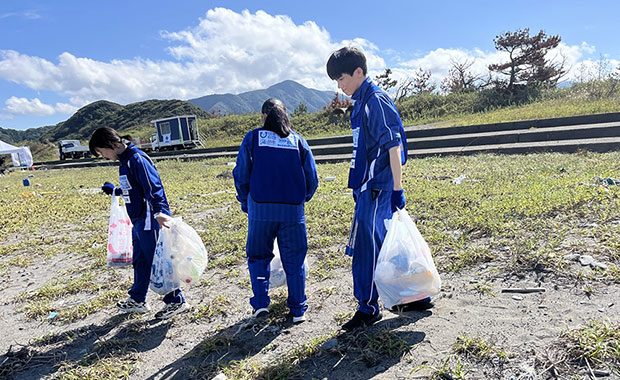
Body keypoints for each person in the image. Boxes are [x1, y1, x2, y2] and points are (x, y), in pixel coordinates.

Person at [326, 47, 432, 332]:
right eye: (336, 80)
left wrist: (397, 189)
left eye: (342, 78)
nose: (340, 85)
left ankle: (368, 308)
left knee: (365, 248)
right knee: (387, 244)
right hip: (367, 188)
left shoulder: (375, 100)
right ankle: (413, 295)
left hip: (377, 189)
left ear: (359, 72)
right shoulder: (360, 103)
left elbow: (393, 146)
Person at [233, 98, 319, 324]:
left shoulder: (252, 138)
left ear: (263, 117)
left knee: (259, 256)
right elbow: (312, 177)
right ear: (285, 116)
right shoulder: (298, 141)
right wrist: (302, 199)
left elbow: (241, 174)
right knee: (295, 260)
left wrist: (246, 201)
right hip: (292, 211)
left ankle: (261, 303)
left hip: (260, 210)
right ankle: (298, 308)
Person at [89, 127, 189, 320]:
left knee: (156, 259)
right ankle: (138, 299)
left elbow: (153, 186)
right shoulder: (124, 161)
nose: (104, 156)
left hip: (150, 219)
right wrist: (117, 191)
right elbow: (134, 188)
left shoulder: (137, 159)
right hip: (137, 220)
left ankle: (176, 301)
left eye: (102, 152)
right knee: (140, 260)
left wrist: (160, 213)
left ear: (111, 144)